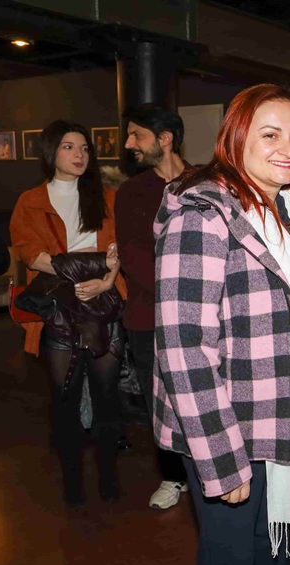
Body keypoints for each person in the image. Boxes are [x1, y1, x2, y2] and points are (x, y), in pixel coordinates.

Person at [153, 84, 290, 565]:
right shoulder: (202, 214)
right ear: (237, 137)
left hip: (286, 411)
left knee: (277, 544)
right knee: (231, 559)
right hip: (229, 423)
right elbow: (183, 346)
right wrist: (220, 455)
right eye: (270, 134)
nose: (288, 149)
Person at [9, 120, 125, 507]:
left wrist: (106, 281)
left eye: (85, 148)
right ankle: (72, 483)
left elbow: (119, 251)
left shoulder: (107, 197)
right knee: (64, 400)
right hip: (59, 308)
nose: (79, 155)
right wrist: (83, 266)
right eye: (68, 147)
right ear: (50, 152)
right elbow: (31, 254)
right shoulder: (31, 200)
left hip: (103, 304)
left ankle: (108, 479)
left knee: (108, 398)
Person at [115, 104, 190, 510]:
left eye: (137, 135)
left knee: (200, 400)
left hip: (202, 320)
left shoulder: (205, 182)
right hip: (149, 320)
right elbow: (135, 257)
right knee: (159, 405)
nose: (129, 144)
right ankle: (173, 476)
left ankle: (205, 471)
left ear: (165, 139)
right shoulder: (132, 192)